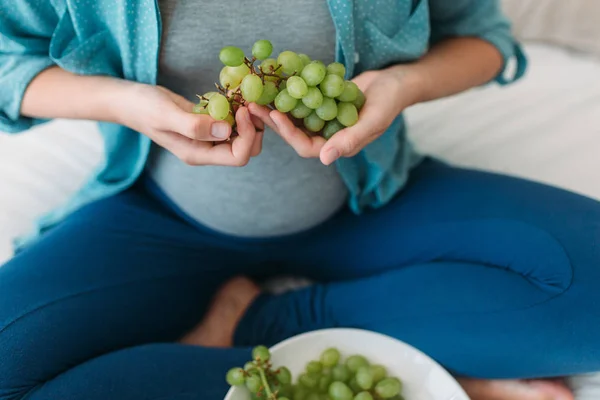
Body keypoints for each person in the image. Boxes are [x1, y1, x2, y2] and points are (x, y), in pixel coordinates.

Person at [0, 0, 597, 399]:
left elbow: (484, 36)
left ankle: (263, 324)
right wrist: (124, 102)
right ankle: (442, 367)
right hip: (161, 220)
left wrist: (403, 83)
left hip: (369, 203)